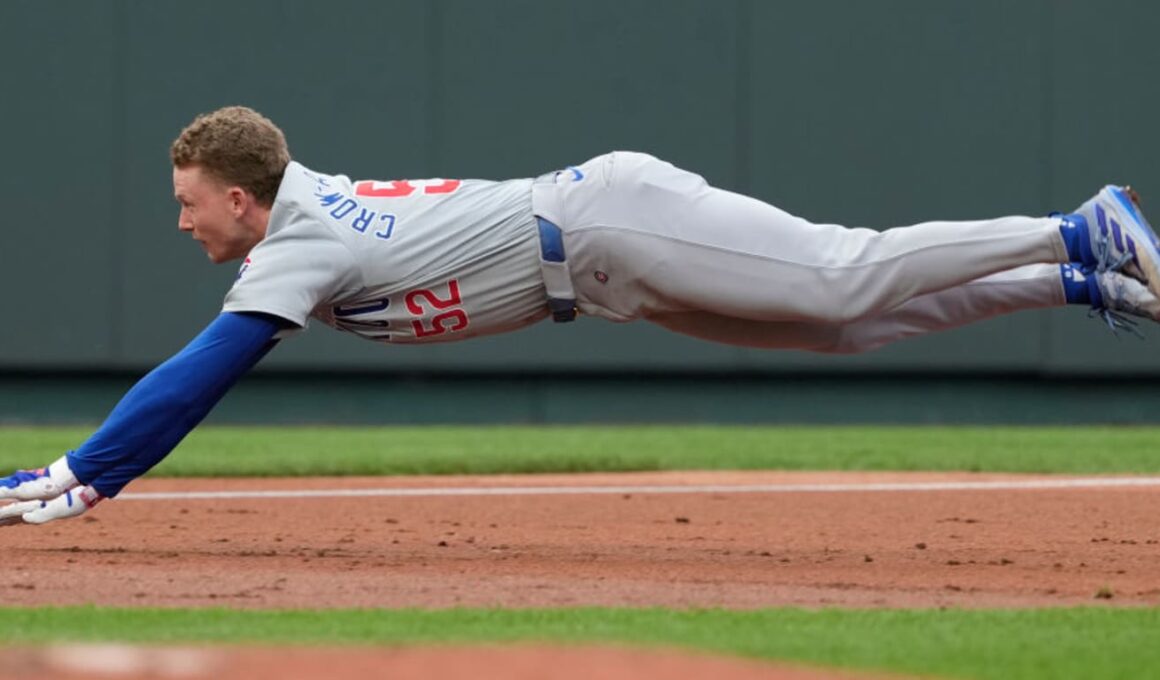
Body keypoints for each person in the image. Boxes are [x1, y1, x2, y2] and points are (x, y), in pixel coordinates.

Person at [2, 106, 1158, 526]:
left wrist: (86, 467)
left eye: (189, 203)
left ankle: (1069, 227)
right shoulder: (292, 217)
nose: (182, 221)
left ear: (242, 197)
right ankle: (1076, 277)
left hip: (606, 223)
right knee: (839, 328)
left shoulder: (297, 239)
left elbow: (205, 369)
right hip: (607, 275)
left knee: (837, 278)